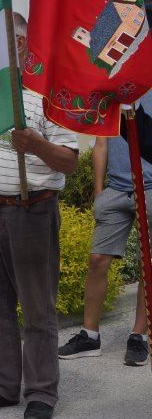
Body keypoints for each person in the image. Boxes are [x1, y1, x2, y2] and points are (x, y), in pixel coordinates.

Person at [0, 12, 78, 419]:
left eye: (0, 43)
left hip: (30, 211)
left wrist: (36, 145)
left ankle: (41, 391)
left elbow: (70, 161)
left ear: (22, 45)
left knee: (37, 305)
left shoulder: (51, 95)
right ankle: (3, 384)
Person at [57, 128, 149, 366]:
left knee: (147, 264)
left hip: (150, 188)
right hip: (116, 189)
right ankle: (90, 336)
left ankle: (139, 336)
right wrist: (99, 193)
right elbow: (101, 144)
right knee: (98, 259)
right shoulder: (112, 104)